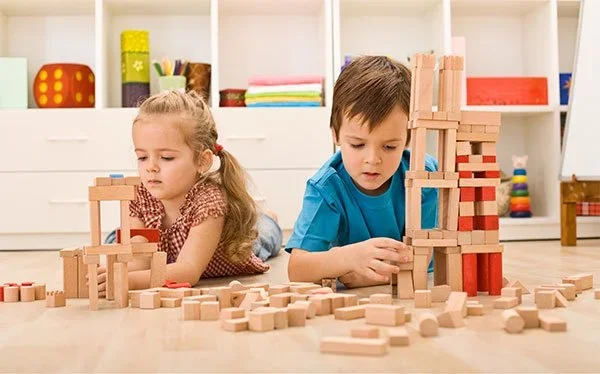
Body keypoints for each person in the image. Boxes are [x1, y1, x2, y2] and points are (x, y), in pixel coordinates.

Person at [96, 90, 282, 296]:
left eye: (166, 158)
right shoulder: (141, 195)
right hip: (168, 261)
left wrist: (127, 280)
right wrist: (112, 273)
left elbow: (188, 271)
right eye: (142, 157)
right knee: (118, 240)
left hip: (232, 249)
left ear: (202, 161)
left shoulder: (209, 201)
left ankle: (269, 219)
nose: (151, 167)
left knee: (262, 237)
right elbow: (139, 262)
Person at [286, 55, 438, 288]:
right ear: (335, 135)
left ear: (408, 139)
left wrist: (360, 277)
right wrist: (348, 258)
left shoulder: (424, 177)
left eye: (389, 146)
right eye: (357, 144)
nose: (372, 160)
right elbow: (297, 268)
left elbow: (419, 261)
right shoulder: (325, 188)